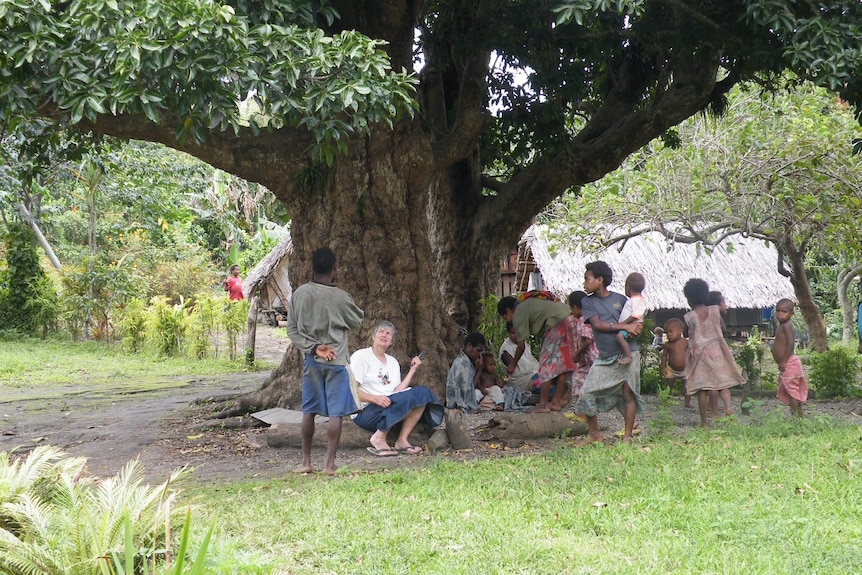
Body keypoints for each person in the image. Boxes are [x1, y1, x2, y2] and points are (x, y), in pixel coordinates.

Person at [285, 247, 364, 475]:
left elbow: (292, 330)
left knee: (308, 411)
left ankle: (306, 462)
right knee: (336, 414)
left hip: (312, 361)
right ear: (334, 267)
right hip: (337, 361)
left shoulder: (299, 294)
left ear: (312, 268)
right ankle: (329, 464)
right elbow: (357, 320)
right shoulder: (340, 297)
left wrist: (314, 348)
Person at [575, 261, 644, 444]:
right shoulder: (587, 301)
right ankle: (595, 434)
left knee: (627, 394)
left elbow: (637, 318)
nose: (584, 283)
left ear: (599, 280)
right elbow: (597, 324)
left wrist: (636, 328)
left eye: (587, 279)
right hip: (605, 356)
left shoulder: (621, 299)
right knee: (586, 392)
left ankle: (628, 436)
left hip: (628, 353)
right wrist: (625, 326)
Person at [350, 321, 444, 456]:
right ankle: (379, 437)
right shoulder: (361, 356)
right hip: (366, 411)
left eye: (388, 333)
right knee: (399, 399)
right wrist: (375, 399)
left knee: (422, 393)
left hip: (389, 406)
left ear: (391, 342)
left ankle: (402, 440)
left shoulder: (393, 362)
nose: (384, 335)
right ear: (373, 337)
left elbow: (396, 392)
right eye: (381, 331)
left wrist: (413, 370)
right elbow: (351, 390)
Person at [497, 291, 577, 412]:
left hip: (555, 324)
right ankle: (556, 402)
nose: (508, 321)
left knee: (545, 365)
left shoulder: (518, 312)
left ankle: (543, 404)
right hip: (569, 317)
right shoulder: (527, 303)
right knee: (560, 365)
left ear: (508, 311)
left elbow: (521, 345)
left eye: (505, 317)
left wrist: (513, 364)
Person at [683, 278, 745, 429]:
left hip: (699, 354)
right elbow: (722, 328)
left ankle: (704, 422)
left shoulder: (689, 317)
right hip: (716, 350)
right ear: (706, 295)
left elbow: (687, 333)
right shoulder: (715, 311)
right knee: (722, 382)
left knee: (703, 389)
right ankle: (728, 407)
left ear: (689, 300)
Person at [772, 299, 808, 416]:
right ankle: (799, 415)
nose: (780, 314)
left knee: (792, 392)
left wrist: (783, 361)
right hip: (787, 363)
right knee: (791, 390)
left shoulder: (787, 326)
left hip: (788, 362)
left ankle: (795, 417)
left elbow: (790, 344)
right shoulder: (782, 325)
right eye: (778, 311)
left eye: (784, 311)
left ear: (791, 314)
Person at [567, 290, 598, 409]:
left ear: (575, 307)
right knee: (579, 379)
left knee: (579, 380)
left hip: (591, 357)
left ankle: (583, 411)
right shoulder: (592, 316)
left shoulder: (583, 320)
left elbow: (588, 340)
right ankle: (582, 410)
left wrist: (577, 354)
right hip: (590, 359)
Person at [446, 332, 487, 413]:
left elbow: (470, 387)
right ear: (469, 346)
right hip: (458, 405)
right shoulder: (463, 363)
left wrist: (479, 369)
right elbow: (465, 391)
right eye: (478, 350)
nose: (479, 355)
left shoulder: (468, 361)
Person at [705, 290, 730, 414]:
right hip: (715, 352)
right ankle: (714, 409)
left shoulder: (705, 315)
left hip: (706, 351)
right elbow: (723, 329)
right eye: (724, 302)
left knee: (712, 380)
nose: (726, 305)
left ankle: (711, 405)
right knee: (715, 382)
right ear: (718, 304)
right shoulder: (716, 316)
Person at [615, 272, 647, 365]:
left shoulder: (638, 300)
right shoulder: (634, 300)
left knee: (619, 337)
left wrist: (623, 325)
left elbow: (635, 316)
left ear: (628, 287)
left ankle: (628, 356)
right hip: (629, 327)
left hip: (632, 327)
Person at [499, 321, 540, 394]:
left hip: (533, 375)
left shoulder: (522, 343)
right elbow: (513, 371)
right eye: (513, 333)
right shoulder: (505, 350)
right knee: (545, 383)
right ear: (508, 333)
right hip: (522, 382)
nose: (517, 336)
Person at [660, 318, 690, 407]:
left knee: (687, 386)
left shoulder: (686, 342)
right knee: (669, 385)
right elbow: (664, 356)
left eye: (671, 331)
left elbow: (692, 353)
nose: (669, 334)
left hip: (685, 369)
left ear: (680, 330)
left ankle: (687, 402)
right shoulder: (667, 345)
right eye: (666, 332)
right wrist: (663, 367)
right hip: (671, 369)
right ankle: (665, 399)